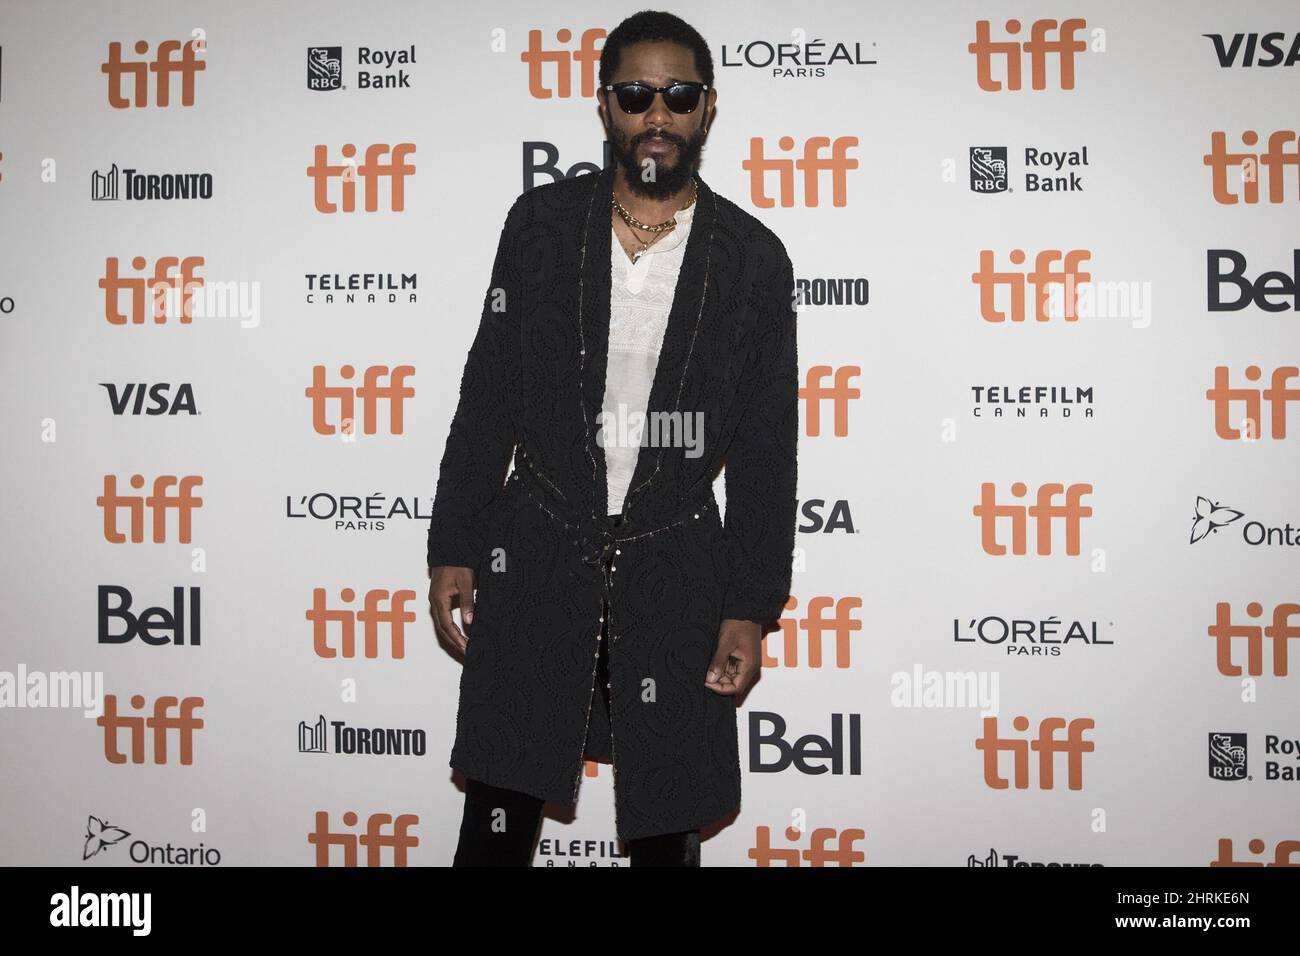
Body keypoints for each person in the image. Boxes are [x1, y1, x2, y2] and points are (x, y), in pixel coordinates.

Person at [428, 10, 798, 867]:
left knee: (667, 823)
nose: (656, 115)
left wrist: (749, 607)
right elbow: (489, 397)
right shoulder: (542, 228)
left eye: (678, 95)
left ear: (708, 108)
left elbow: (769, 452)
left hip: (674, 568)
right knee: (499, 806)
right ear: (605, 106)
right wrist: (456, 541)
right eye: (637, 95)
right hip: (538, 547)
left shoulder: (751, 261)